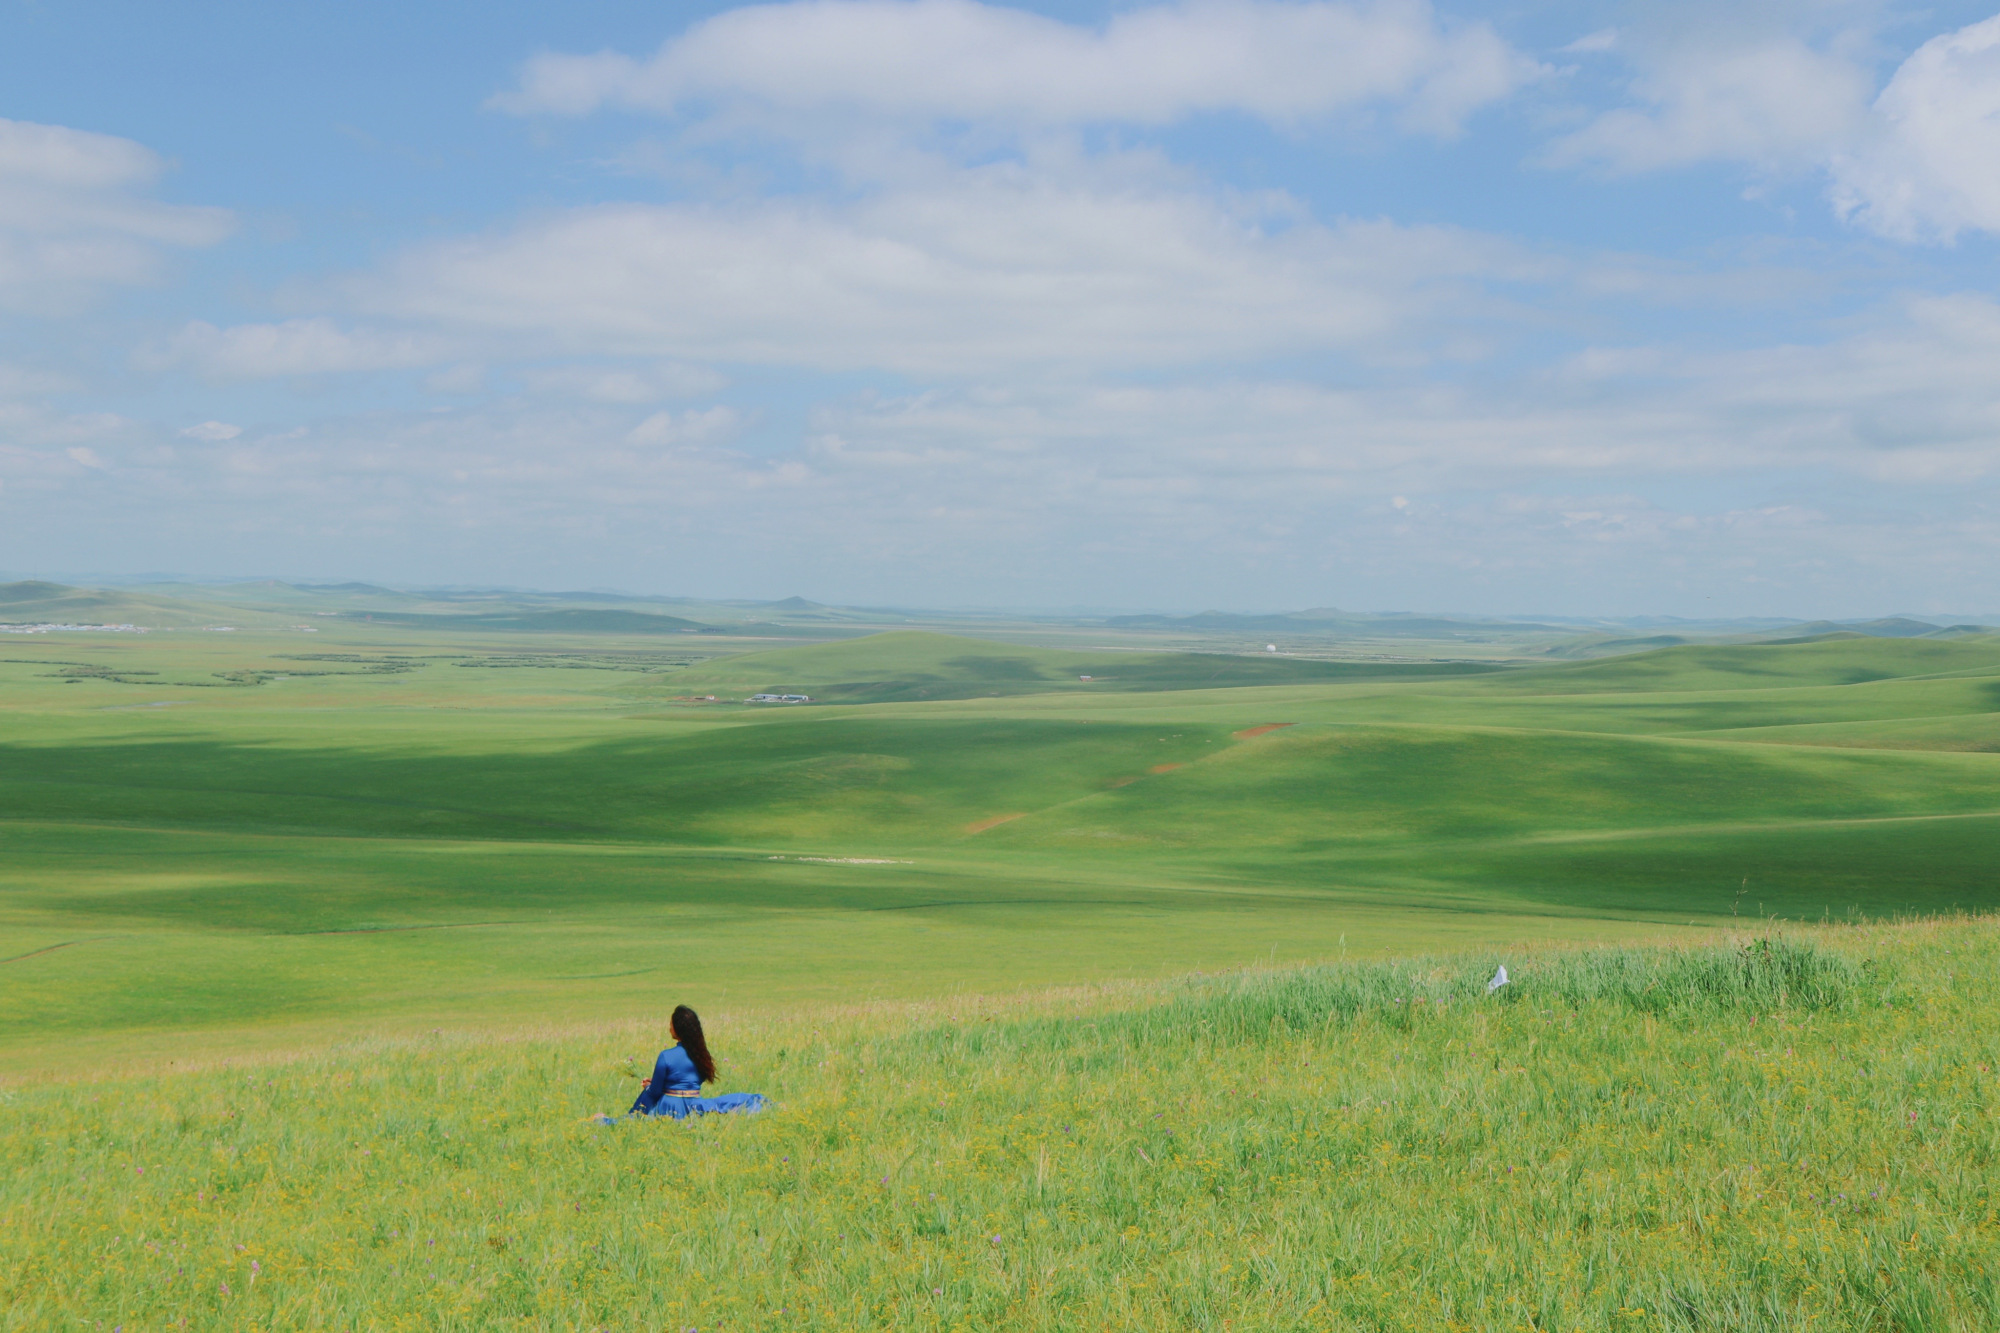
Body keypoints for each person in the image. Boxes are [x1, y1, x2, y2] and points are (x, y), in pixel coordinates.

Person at [616, 1004, 767, 1121]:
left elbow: (655, 1092)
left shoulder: (666, 1056)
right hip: (694, 1104)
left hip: (669, 1106)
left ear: (678, 1029)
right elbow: (688, 1081)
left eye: (671, 1024)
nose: (669, 1028)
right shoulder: (701, 1055)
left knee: (640, 1110)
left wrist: (650, 1086)